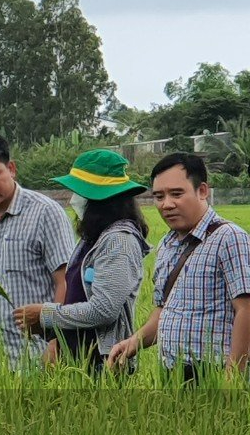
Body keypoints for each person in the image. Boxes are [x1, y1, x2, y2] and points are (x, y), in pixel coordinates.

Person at [107, 153, 250, 383]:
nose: (167, 204)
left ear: (202, 191)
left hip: (214, 371)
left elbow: (246, 310)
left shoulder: (229, 237)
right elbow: (163, 311)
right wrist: (133, 342)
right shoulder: (167, 244)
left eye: (176, 194)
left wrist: (232, 377)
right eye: (158, 196)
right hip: (172, 372)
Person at [12, 149, 149, 372]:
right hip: (75, 361)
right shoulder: (92, 239)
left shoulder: (119, 241)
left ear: (100, 201)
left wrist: (45, 315)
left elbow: (104, 309)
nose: (75, 199)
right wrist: (55, 337)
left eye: (80, 193)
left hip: (102, 364)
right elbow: (76, 297)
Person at [0, 133, 75, 369]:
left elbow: (67, 280)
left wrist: (57, 342)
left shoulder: (45, 213)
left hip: (37, 355)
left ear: (11, 169)